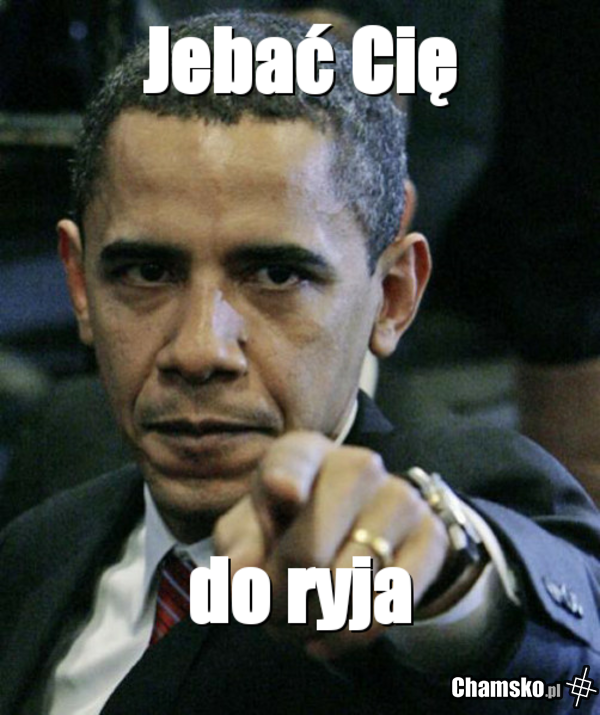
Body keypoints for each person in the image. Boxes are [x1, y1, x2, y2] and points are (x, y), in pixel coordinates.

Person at [0, 12, 598, 715]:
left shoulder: (470, 487)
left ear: (393, 297)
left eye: (277, 276)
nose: (199, 348)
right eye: (146, 272)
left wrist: (450, 588)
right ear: (78, 284)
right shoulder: (38, 546)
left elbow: (568, 672)